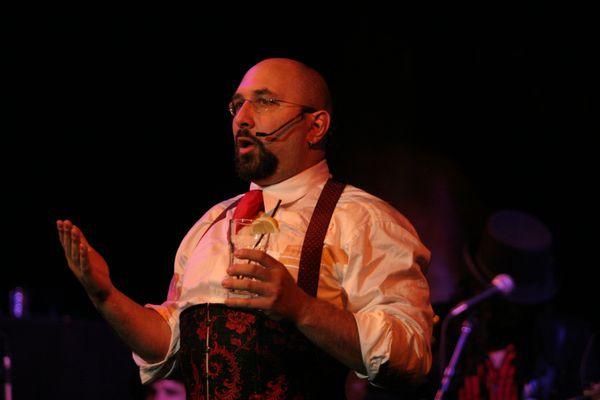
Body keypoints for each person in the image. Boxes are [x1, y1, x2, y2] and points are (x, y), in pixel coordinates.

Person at [56, 58, 434, 398]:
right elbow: (168, 343)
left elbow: (410, 354)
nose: (243, 118)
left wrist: (302, 309)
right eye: (238, 105)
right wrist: (104, 294)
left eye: (266, 102)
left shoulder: (362, 220)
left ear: (315, 126)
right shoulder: (210, 224)